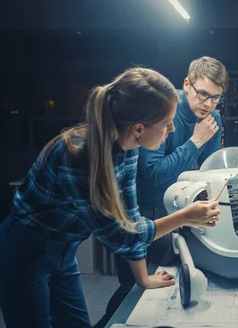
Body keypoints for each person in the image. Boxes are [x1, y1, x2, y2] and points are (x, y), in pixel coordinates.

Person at [0, 67, 221, 328]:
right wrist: (185, 217)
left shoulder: (130, 147)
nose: (170, 129)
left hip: (64, 251)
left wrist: (142, 278)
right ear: (138, 129)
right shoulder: (79, 156)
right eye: (165, 122)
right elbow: (120, 235)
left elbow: (130, 217)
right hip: (24, 251)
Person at [95, 56, 228, 328]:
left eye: (216, 98)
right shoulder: (162, 110)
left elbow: (208, 173)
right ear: (187, 84)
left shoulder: (213, 117)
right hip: (147, 210)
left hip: (182, 207)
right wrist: (195, 141)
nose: (208, 104)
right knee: (133, 290)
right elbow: (152, 176)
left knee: (170, 281)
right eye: (203, 94)